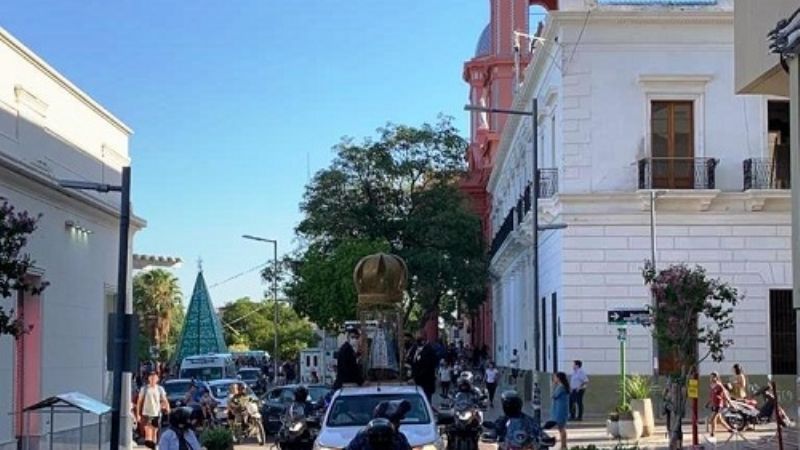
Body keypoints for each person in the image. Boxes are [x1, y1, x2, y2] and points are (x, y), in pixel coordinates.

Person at [135, 370, 169, 448]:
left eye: (155, 377)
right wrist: (138, 415)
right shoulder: (144, 389)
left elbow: (165, 400)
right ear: (149, 379)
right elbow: (139, 402)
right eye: (151, 377)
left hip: (156, 414)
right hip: (146, 413)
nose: (153, 379)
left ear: (157, 379)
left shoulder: (160, 389)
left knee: (154, 433)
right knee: (148, 434)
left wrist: (167, 409)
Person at [545, 372, 570, 450]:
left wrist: (552, 385)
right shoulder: (562, 387)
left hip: (560, 411)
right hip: (561, 410)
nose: (554, 379)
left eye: (555, 377)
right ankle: (563, 445)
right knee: (561, 428)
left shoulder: (561, 387)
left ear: (559, 378)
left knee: (561, 428)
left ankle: (563, 445)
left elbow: (554, 395)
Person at [411, 331, 438, 402]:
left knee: (425, 401)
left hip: (426, 384)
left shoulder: (429, 351)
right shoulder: (414, 348)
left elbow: (427, 367)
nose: (417, 338)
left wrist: (416, 378)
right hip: (415, 384)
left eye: (419, 336)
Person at [708, 371, 733, 439]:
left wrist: (729, 401)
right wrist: (708, 403)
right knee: (719, 419)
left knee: (712, 419)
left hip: (719, 404)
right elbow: (711, 395)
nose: (712, 378)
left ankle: (712, 433)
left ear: (716, 377)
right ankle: (730, 429)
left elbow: (725, 393)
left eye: (713, 377)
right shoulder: (711, 385)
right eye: (711, 377)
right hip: (713, 404)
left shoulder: (719, 385)